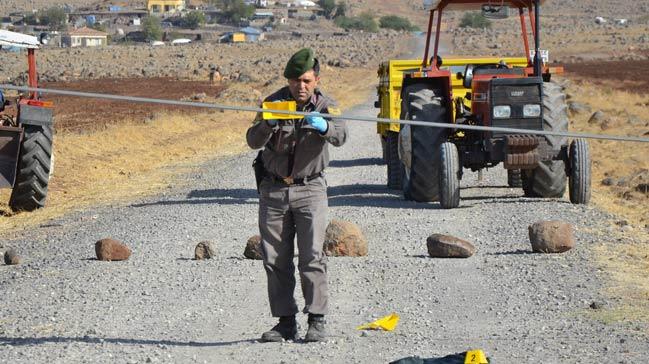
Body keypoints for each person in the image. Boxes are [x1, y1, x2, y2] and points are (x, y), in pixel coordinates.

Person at [246, 48, 348, 343]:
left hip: (310, 189)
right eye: (294, 81)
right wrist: (267, 124)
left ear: (316, 79)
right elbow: (252, 140)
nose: (300, 87)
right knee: (275, 259)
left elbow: (342, 136)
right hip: (274, 190)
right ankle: (285, 322)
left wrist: (325, 126)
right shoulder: (272, 103)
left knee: (312, 256)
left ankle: (316, 319)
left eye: (305, 80)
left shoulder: (328, 105)